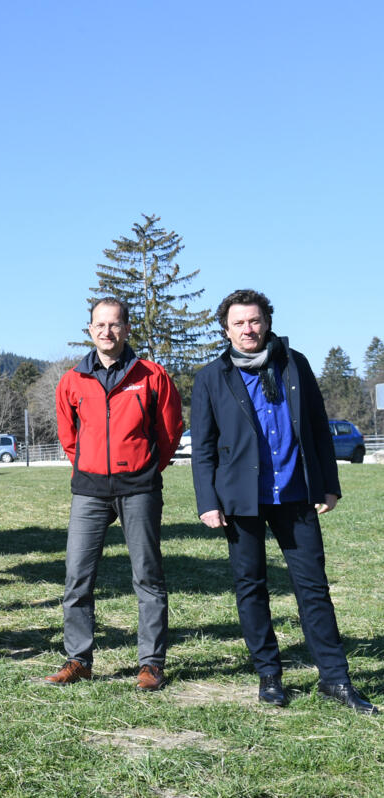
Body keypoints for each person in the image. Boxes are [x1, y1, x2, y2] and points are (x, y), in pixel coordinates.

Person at [191, 289, 377, 714]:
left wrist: (328, 485)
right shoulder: (211, 377)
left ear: (267, 322)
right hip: (241, 502)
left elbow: (316, 426)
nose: (247, 329)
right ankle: (269, 675)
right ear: (226, 329)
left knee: (313, 589)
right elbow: (202, 447)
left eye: (254, 321)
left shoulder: (295, 364)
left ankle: (335, 678)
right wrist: (208, 501)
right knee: (251, 588)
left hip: (296, 495)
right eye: (238, 323)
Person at [45, 298, 183, 690]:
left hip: (139, 486)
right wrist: (88, 465)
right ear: (89, 330)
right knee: (77, 577)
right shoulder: (72, 380)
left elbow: (169, 432)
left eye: (115, 324)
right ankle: (78, 659)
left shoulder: (152, 375)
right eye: (99, 325)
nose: (107, 332)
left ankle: (151, 663)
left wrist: (145, 467)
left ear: (126, 329)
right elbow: (68, 437)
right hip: (88, 489)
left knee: (148, 576)